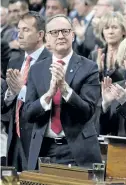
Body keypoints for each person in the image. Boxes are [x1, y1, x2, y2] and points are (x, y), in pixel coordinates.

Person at [23, 14, 101, 170]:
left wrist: (65, 89)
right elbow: (28, 114)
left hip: (76, 149)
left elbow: (88, 111)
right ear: (47, 38)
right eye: (54, 32)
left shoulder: (89, 67)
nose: (60, 36)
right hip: (44, 150)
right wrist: (48, 95)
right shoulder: (36, 70)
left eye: (65, 31)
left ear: (72, 35)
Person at [2, 11, 51, 171]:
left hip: (38, 138)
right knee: (10, 181)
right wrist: (10, 93)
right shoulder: (14, 60)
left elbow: (46, 101)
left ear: (40, 34)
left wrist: (21, 90)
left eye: (26, 30)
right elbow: (5, 105)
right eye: (19, 29)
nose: (19, 35)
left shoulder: (50, 62)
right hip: (14, 138)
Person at [89, 12, 126, 82]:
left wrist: (113, 72)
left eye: (115, 27)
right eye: (106, 28)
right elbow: (90, 82)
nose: (110, 32)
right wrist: (99, 72)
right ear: (102, 32)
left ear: (123, 31)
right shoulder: (95, 55)